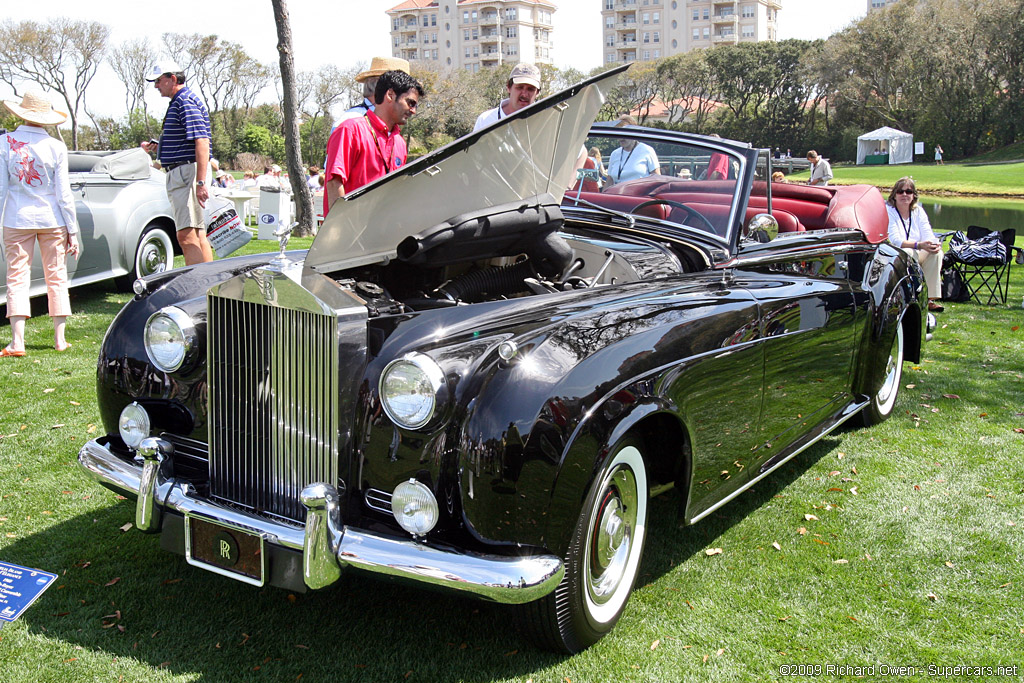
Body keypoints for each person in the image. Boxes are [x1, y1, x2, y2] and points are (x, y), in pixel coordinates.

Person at [1, 88, 81, 356]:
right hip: (53, 218)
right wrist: (73, 230)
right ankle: (60, 340)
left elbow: (1, 189)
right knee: (57, 275)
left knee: (17, 277)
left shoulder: (5, 143)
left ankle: (17, 342)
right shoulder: (57, 146)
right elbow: (64, 194)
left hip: (16, 218)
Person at [141, 60, 213, 265]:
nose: (156, 85)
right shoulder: (181, 100)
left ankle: (196, 290)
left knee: (186, 236)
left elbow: (202, 141)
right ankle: (207, 288)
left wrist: (200, 182)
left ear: (172, 78)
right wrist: (161, 146)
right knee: (197, 234)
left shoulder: (184, 101)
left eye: (158, 80)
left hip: (187, 173)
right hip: (186, 172)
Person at [323, 70, 424, 214]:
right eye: (410, 103)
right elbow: (334, 183)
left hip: (383, 232)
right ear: (390, 95)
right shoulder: (350, 129)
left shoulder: (400, 143)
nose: (413, 110)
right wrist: (342, 231)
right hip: (351, 232)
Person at [886, 176, 944, 312]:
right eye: (900, 192)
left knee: (936, 254)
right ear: (894, 195)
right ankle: (912, 295)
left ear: (914, 195)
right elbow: (895, 240)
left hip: (918, 249)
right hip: (896, 252)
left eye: (908, 191)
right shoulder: (889, 210)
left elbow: (928, 233)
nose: (904, 195)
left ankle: (928, 299)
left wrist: (934, 244)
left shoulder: (918, 211)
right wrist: (919, 245)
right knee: (909, 253)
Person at [472, 63, 542, 131]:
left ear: (537, 93)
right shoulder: (485, 120)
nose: (524, 94)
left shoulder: (542, 122)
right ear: (508, 87)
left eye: (530, 89)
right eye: (520, 87)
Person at [607, 115, 660, 184]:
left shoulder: (647, 150)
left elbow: (657, 179)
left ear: (633, 132)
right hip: (617, 194)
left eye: (624, 134)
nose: (621, 138)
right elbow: (609, 180)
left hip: (639, 194)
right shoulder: (614, 154)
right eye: (618, 134)